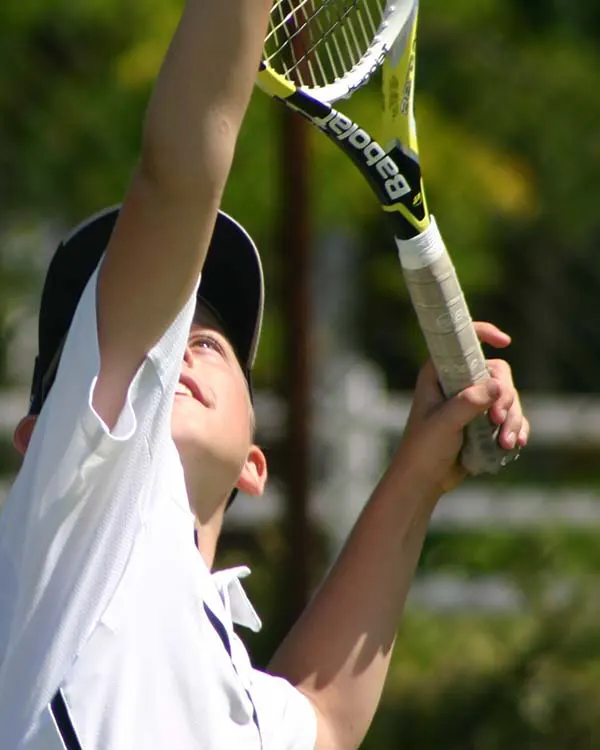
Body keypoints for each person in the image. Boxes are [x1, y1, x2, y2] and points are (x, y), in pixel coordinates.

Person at [0, 0, 529, 748]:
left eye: (209, 342)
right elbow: (177, 178)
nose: (178, 347)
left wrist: (418, 472)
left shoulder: (231, 692)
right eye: (156, 338)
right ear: (37, 443)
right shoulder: (72, 516)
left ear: (255, 462)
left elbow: (324, 718)